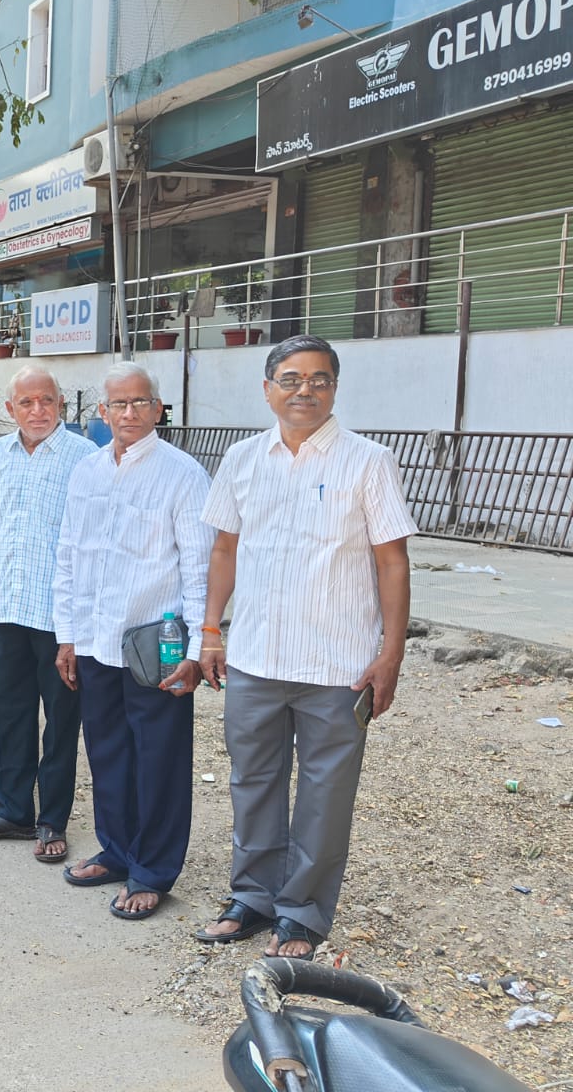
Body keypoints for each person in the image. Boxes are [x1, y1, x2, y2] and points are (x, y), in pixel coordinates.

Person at [194, 335, 415, 959]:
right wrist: (211, 630)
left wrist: (389, 652)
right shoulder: (241, 459)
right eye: (290, 379)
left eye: (319, 379)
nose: (305, 390)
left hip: (337, 663)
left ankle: (303, 914)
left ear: (335, 389)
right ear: (268, 389)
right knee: (253, 781)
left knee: (325, 792)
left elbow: (392, 562)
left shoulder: (368, 461)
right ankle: (253, 898)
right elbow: (224, 550)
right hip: (256, 657)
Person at [51, 362, 213, 920]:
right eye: (118, 405)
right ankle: (117, 850)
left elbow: (199, 568)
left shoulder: (183, 474)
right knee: (108, 751)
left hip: (156, 644)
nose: (129, 414)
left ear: (158, 407)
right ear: (101, 411)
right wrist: (66, 636)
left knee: (159, 757)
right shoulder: (88, 472)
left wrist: (196, 651)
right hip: (97, 640)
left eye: (140, 402)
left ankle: (152, 869)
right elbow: (69, 555)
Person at [0, 365, 97, 855]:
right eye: (27, 403)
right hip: (9, 607)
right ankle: (14, 810)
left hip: (59, 617)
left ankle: (52, 819)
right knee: (11, 712)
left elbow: (91, 544)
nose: (38, 411)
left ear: (61, 404)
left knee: (61, 720)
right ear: (10, 408)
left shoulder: (85, 457)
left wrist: (79, 625)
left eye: (47, 401)